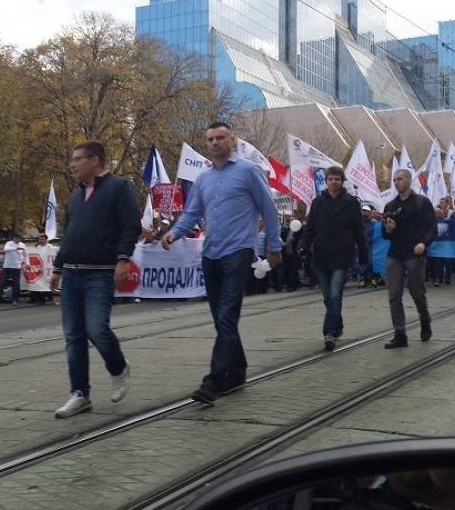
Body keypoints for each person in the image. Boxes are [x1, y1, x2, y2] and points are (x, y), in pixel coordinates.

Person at [162, 121, 282, 406]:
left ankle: (213, 381)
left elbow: (269, 209)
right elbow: (192, 213)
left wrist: (274, 247)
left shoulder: (249, 171)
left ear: (232, 140)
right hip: (211, 255)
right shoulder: (203, 179)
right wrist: (175, 232)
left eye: (220, 138)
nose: (215, 143)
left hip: (238, 253)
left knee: (227, 317)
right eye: (210, 139)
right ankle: (237, 370)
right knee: (222, 319)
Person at [49, 140, 141, 419]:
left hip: (100, 273)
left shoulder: (119, 187)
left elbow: (131, 225)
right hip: (73, 273)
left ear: (95, 160)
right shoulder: (76, 197)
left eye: (78, 159)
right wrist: (58, 267)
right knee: (73, 335)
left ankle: (118, 368)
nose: (73, 164)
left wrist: (123, 259)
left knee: (96, 328)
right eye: (72, 159)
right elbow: (71, 235)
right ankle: (80, 394)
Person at [298, 166, 369, 351]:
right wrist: (303, 246)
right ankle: (337, 325)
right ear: (326, 181)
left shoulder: (351, 202)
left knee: (335, 293)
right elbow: (310, 227)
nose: (334, 182)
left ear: (342, 180)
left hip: (342, 254)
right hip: (321, 255)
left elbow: (358, 229)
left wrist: (363, 254)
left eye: (337, 179)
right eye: (330, 179)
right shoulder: (318, 202)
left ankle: (329, 332)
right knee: (328, 296)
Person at [381, 169, 437, 349]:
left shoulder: (421, 202)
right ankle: (400, 334)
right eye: (394, 180)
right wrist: (388, 231)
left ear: (409, 180)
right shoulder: (389, 206)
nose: (396, 182)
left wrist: (423, 243)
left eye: (400, 179)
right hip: (395, 254)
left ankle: (425, 319)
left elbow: (432, 228)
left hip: (415, 253)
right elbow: (385, 234)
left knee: (417, 293)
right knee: (394, 294)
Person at [0, 232, 26, 306]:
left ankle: (15, 299)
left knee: (16, 284)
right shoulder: (9, 243)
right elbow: (6, 249)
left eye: (20, 238)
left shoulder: (23, 245)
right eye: (18, 238)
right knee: (2, 283)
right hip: (7, 266)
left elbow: (26, 255)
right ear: (14, 238)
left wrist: (27, 263)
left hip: (17, 267)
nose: (19, 240)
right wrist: (15, 248)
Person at [28, 233, 56, 305]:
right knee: (37, 283)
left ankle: (43, 299)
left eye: (42, 239)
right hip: (39, 268)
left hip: (46, 268)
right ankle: (35, 298)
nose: (41, 240)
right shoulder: (38, 247)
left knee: (44, 284)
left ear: (46, 240)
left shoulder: (50, 247)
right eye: (40, 239)